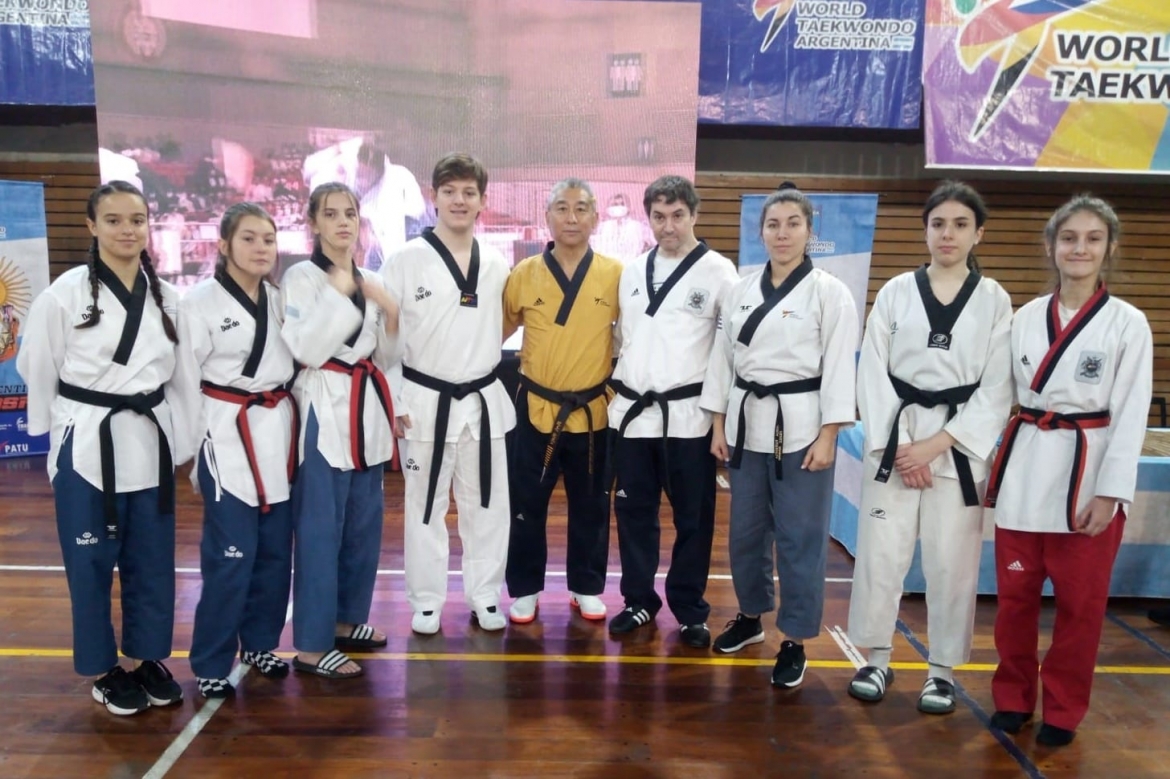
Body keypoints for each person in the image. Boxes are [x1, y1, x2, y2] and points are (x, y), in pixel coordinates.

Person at [985, 195, 1152, 747]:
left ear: (1110, 248)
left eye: (1093, 239)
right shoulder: (1025, 317)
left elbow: (1131, 414)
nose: (1080, 248)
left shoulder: (1128, 324)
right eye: (1069, 238)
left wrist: (1111, 493)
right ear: (1052, 247)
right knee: (1014, 602)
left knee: (1080, 609)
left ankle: (1063, 708)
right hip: (1025, 470)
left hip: (1088, 478)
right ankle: (1012, 697)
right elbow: (996, 397)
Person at [17, 181, 185, 715]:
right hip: (88, 443)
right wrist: (54, 439)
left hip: (149, 443)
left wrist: (182, 440)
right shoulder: (63, 295)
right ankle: (103, 669)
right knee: (89, 564)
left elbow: (182, 375)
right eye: (113, 220)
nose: (127, 230)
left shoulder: (168, 297)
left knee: (151, 562)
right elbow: (36, 366)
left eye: (137, 219)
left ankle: (148, 657)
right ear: (91, 226)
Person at [844, 182, 1013, 712]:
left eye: (961, 224)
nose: (948, 234)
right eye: (938, 223)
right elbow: (872, 372)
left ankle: (941, 671)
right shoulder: (896, 291)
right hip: (896, 446)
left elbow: (998, 387)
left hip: (957, 450)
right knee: (880, 557)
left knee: (951, 564)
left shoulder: (994, 300)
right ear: (926, 230)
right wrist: (902, 448)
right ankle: (876, 658)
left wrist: (935, 445)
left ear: (978, 233)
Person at [702, 184, 858, 687]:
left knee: (800, 537)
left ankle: (795, 638)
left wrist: (830, 434)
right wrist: (718, 423)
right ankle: (750, 617)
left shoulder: (830, 293)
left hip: (803, 429)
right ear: (761, 232)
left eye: (793, 224)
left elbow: (840, 367)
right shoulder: (741, 290)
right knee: (746, 532)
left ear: (810, 231)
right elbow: (723, 360)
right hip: (746, 424)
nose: (782, 233)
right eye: (773, 224)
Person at [380, 153, 514, 635]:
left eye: (468, 192)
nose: (459, 200)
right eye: (450, 191)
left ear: (482, 200)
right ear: (432, 196)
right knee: (424, 507)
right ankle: (426, 601)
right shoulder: (404, 261)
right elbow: (384, 337)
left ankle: (485, 596)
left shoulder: (496, 263)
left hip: (482, 402)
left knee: (488, 507)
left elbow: (500, 325)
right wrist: (394, 399)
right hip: (423, 403)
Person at [173, 203, 298, 698]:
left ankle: (261, 643)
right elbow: (184, 380)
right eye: (249, 238)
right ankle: (210, 660)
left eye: (268, 239)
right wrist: (191, 451)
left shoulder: (281, 299)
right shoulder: (198, 303)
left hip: (276, 429)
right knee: (231, 555)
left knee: (274, 553)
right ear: (223, 245)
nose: (261, 248)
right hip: (225, 430)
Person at [607, 175, 738, 648]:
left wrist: (721, 422)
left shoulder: (720, 272)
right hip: (634, 417)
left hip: (690, 418)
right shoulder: (631, 271)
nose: (668, 226)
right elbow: (623, 341)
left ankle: (689, 608)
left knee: (693, 520)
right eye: (659, 216)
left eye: (678, 215)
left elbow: (728, 354)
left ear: (694, 215)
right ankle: (639, 600)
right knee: (634, 515)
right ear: (648, 218)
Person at [280, 182, 398, 679]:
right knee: (319, 530)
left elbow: (387, 355)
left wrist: (392, 314)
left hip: (365, 407)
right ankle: (311, 644)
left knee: (363, 525)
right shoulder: (301, 277)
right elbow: (306, 348)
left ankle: (347, 620)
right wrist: (343, 291)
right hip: (323, 406)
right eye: (330, 214)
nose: (343, 222)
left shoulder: (371, 278)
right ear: (313, 223)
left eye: (349, 213)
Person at [503, 178, 622, 624]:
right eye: (562, 208)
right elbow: (497, 328)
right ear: (547, 217)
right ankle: (525, 588)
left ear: (595, 218)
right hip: (536, 407)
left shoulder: (614, 274)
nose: (571, 217)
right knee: (526, 504)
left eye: (581, 208)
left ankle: (586, 586)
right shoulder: (524, 273)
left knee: (591, 504)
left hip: (592, 411)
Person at [592, 192, 650, 262]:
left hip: (631, 265)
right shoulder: (602, 227)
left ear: (628, 207)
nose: (619, 207)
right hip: (606, 265)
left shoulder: (638, 227)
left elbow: (653, 242)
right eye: (615, 204)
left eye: (622, 204)